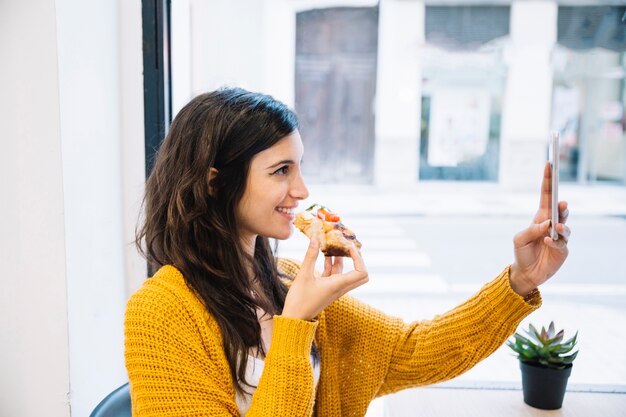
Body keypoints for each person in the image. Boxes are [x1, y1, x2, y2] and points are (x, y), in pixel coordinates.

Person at [125, 87, 570, 416]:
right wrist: (296, 325)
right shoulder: (161, 312)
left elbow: (414, 351)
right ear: (213, 182)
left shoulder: (283, 280)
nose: (302, 190)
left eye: (300, 167)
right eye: (281, 170)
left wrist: (520, 281)